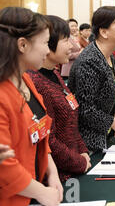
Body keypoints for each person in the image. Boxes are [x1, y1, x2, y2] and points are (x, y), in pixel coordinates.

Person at [0, 7, 63, 206]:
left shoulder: (26, 79)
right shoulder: (2, 94)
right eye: (45, 43)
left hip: (35, 188)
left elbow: (40, 133)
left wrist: (51, 172)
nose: (48, 50)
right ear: (22, 44)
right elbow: (4, 163)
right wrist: (41, 192)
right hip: (13, 198)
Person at [28, 15, 91, 182]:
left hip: (74, 167)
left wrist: (83, 151)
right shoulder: (36, 82)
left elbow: (71, 120)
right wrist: (79, 162)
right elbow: (49, 138)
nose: (71, 46)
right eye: (65, 40)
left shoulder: (55, 73)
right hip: (58, 176)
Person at [68, 6, 115, 152]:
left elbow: (110, 92)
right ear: (104, 32)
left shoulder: (109, 55)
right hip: (89, 143)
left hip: (104, 137)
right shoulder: (89, 61)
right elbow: (85, 109)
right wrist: (111, 122)